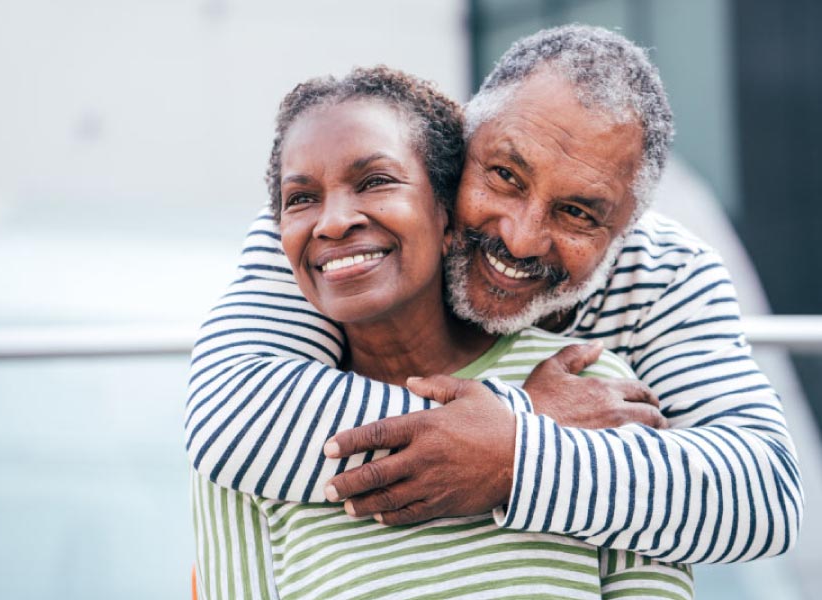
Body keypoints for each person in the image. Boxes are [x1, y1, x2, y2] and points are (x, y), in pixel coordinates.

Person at [187, 24, 801, 566]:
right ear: (460, 143)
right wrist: (522, 422)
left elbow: (762, 497)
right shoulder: (338, 233)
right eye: (504, 175)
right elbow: (233, 413)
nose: (522, 236)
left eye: (578, 213)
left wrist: (513, 456)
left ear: (628, 227)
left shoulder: (668, 272)